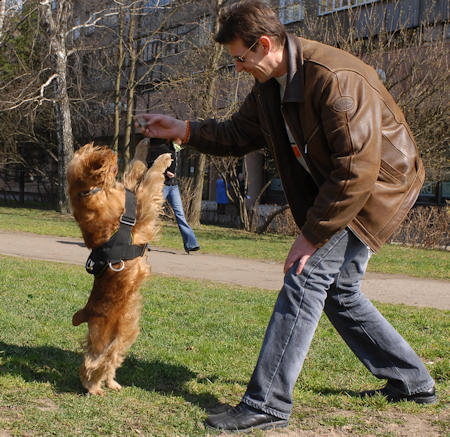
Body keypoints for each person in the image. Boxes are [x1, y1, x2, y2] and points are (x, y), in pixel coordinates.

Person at [136, 0, 436, 432]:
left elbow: (357, 170)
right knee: (340, 291)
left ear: (264, 44)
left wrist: (310, 237)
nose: (237, 68)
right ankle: (412, 381)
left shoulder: (335, 79)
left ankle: (267, 403)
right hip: (344, 185)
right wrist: (182, 129)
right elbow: (238, 134)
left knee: (306, 274)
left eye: (240, 58)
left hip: (375, 188)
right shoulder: (270, 86)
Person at [142, 137, 200, 254]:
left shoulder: (177, 151)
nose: (181, 142)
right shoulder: (162, 149)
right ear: (173, 140)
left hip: (174, 187)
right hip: (162, 185)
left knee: (180, 214)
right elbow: (150, 164)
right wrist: (164, 172)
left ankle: (191, 244)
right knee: (153, 213)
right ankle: (143, 242)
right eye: (180, 140)